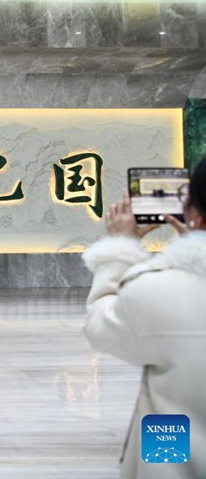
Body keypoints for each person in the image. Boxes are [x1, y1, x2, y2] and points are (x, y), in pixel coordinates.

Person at [82, 159, 206, 479]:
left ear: (191, 211)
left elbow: (101, 329)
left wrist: (119, 249)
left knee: (167, 420)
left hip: (177, 459)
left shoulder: (160, 287)